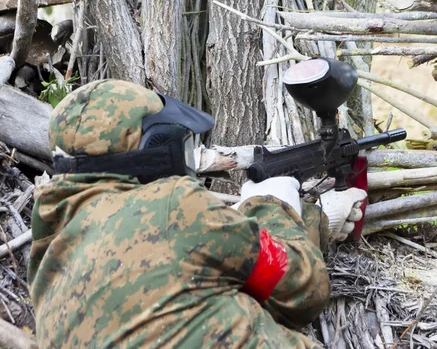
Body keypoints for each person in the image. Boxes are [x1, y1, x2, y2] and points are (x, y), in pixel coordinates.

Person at [28, 79, 367, 348]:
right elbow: (305, 289)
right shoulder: (173, 204)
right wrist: (271, 202)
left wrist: (310, 218)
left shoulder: (48, 260)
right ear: (153, 147)